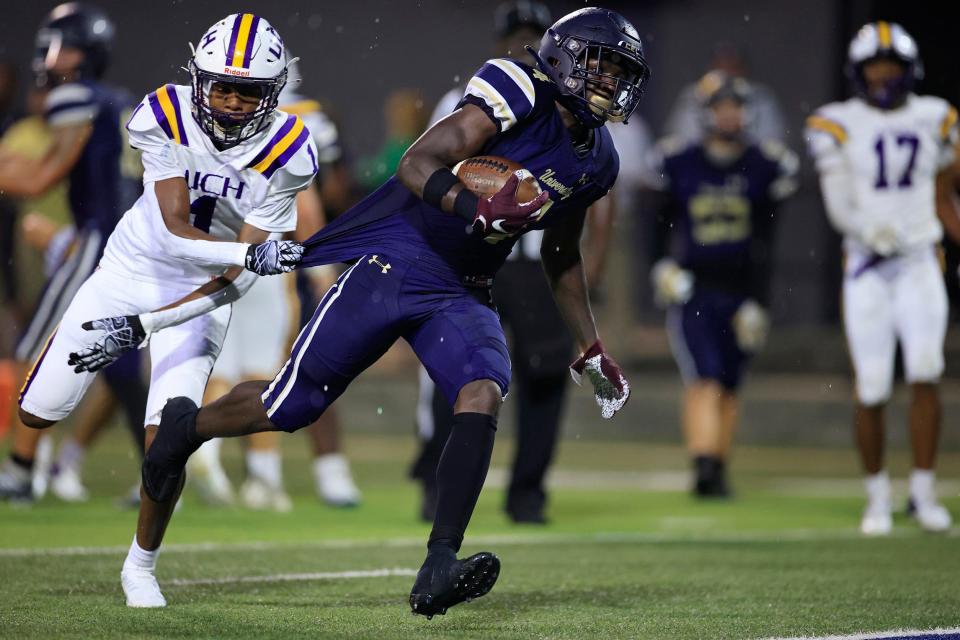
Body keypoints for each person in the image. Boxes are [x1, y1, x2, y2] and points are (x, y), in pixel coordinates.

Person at [113, 7, 647, 616]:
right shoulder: (514, 88)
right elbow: (415, 164)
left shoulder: (597, 158)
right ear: (564, 59)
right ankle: (186, 429)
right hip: (396, 258)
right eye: (601, 68)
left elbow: (561, 252)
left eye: (620, 74)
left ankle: (439, 563)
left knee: (483, 389)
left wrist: (590, 346)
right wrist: (468, 207)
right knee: (292, 405)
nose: (611, 84)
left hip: (464, 285)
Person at [7, 11, 313, 605]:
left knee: (167, 437)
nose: (225, 102)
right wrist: (253, 254)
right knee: (36, 413)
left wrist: (152, 325)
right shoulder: (164, 113)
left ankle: (140, 566)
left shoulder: (290, 152)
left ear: (271, 94)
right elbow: (174, 232)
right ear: (197, 78)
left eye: (244, 91)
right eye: (218, 85)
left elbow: (232, 282)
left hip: (202, 294)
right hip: (130, 270)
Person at [411, 0, 616, 526]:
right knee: (455, 372)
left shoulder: (585, 128)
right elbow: (425, 170)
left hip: (532, 260)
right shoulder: (480, 96)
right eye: (516, 33)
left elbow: (588, 207)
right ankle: (439, 484)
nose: (519, 41)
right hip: (470, 248)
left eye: (530, 32)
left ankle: (528, 492)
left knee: (545, 372)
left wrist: (592, 269)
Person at [807, 21, 959, 535]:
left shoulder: (937, 116)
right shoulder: (837, 122)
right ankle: (877, 497)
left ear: (910, 70)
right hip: (868, 265)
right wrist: (870, 230)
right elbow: (838, 205)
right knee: (871, 385)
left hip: (919, 259)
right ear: (858, 72)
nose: (884, 76)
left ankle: (922, 492)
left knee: (926, 369)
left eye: (892, 67)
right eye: (876, 67)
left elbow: (947, 186)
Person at [0, 3, 150, 503]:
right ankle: (159, 472)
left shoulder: (75, 96)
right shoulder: (121, 100)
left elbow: (43, 175)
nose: (47, 56)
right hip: (136, 245)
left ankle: (22, 470)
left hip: (98, 243)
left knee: (35, 348)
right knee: (126, 373)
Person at [647, 72, 798, 497]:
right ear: (706, 113)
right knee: (705, 377)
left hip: (740, 289)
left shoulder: (764, 165)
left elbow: (767, 240)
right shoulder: (679, 161)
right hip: (695, 287)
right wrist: (662, 266)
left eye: (735, 107)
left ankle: (718, 464)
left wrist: (759, 300)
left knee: (730, 383)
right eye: (721, 107)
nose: (729, 115)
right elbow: (657, 223)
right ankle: (704, 465)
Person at [665, 43, 787, 145]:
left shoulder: (760, 96)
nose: (726, 73)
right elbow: (680, 143)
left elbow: (773, 145)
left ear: (744, 70)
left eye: (732, 67)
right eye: (720, 66)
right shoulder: (694, 94)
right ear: (710, 69)